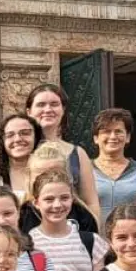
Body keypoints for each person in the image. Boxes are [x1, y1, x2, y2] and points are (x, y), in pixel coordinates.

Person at [25, 84, 102, 216]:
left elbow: (91, 202)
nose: (48, 109)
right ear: (29, 111)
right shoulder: (20, 151)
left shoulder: (77, 153)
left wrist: (93, 231)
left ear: (63, 109)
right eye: (41, 104)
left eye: (54, 104)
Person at [91, 108, 136, 212]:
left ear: (128, 137)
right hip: (93, 229)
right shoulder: (83, 171)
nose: (113, 136)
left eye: (118, 131)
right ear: (96, 138)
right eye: (107, 131)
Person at [0, 113, 43, 201]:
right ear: (2, 141)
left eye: (25, 133)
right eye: (10, 135)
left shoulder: (48, 171)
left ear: (36, 137)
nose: (18, 139)